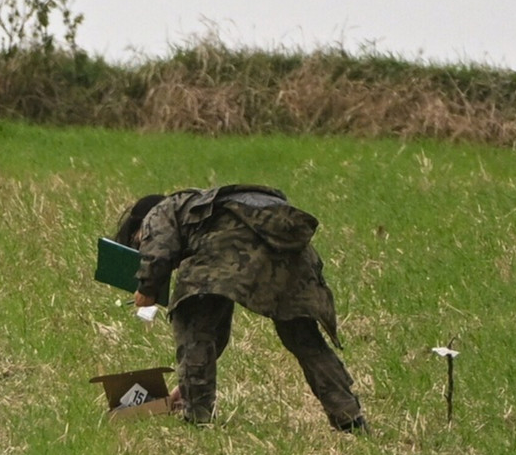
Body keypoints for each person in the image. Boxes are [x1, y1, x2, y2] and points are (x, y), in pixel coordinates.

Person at [114, 185, 367, 432]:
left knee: (192, 325)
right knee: (304, 339)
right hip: (290, 250)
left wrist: (146, 289)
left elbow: (158, 253)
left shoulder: (159, 211)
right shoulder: (213, 217)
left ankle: (197, 417)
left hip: (230, 248)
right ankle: (348, 417)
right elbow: (215, 335)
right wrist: (186, 385)